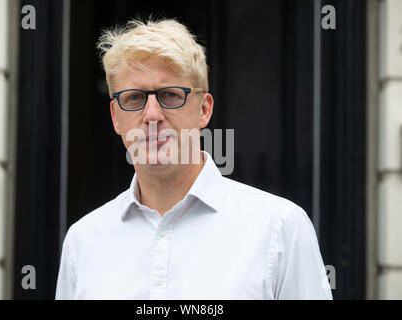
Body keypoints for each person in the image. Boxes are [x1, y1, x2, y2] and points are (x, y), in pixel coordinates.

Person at [55, 18, 333, 300]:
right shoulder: (83, 242)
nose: (152, 114)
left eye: (170, 95)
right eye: (135, 98)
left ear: (204, 109)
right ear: (116, 117)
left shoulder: (280, 228)